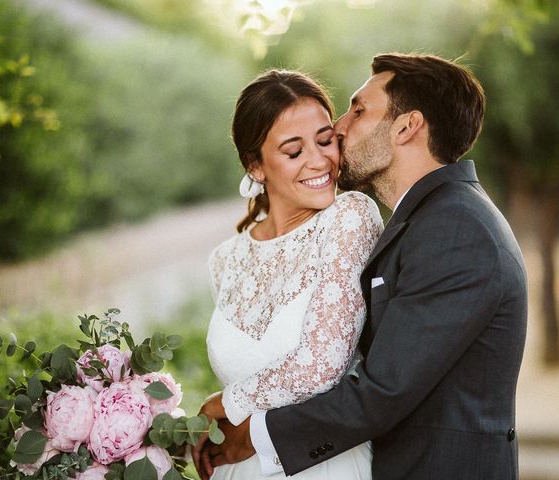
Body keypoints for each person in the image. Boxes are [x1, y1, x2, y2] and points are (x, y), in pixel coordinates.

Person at [195, 53, 528, 480]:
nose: (340, 126)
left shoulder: (456, 228)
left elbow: (383, 388)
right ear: (255, 165)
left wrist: (244, 419)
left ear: (407, 127)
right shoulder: (430, 220)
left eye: (358, 110)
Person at [198, 69, 384, 479]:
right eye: (293, 151)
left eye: (325, 140)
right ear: (256, 166)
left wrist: (224, 403)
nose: (320, 161)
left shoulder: (349, 218)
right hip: (238, 468)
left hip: (326, 465)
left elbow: (322, 364)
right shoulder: (224, 260)